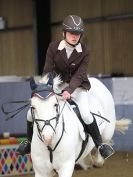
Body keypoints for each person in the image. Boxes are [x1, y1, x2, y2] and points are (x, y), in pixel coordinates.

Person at [16, 15, 114, 159]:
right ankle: (29, 143)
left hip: (79, 87)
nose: (75, 37)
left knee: (86, 114)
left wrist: (69, 90)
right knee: (30, 113)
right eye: (72, 33)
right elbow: (48, 70)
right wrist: (45, 87)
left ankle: (100, 145)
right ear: (64, 33)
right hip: (56, 86)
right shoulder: (53, 47)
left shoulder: (85, 51)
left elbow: (80, 74)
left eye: (78, 34)